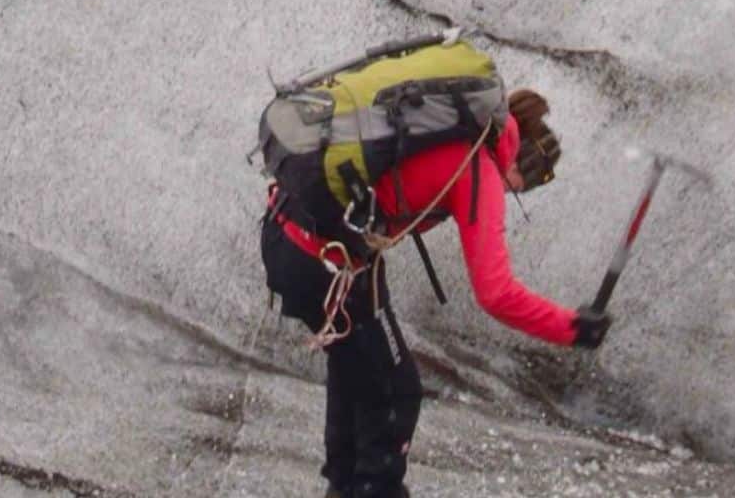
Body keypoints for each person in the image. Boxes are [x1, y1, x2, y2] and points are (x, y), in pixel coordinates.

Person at [260, 89, 613, 498]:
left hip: (288, 230)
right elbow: (495, 294)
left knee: (357, 366)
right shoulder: (478, 168)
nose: (521, 190)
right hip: (323, 260)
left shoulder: (451, 130)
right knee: (397, 389)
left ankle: (344, 486)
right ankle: (369, 490)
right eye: (531, 180)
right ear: (524, 161)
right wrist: (572, 328)